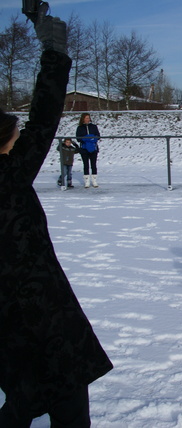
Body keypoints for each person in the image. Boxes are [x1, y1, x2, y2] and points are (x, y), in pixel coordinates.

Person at [0, 4, 113, 426]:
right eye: (11, 140)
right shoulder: (6, 178)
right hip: (42, 320)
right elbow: (44, 118)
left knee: (20, 402)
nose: (17, 145)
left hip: (9, 329)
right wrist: (53, 50)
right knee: (63, 401)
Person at [76, 113, 100, 188]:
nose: (88, 119)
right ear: (83, 119)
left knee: (93, 164)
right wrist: (86, 138)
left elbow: (98, 136)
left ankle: (94, 181)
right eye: (86, 118)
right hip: (84, 148)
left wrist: (92, 138)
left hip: (93, 148)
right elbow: (78, 138)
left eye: (88, 118)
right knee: (86, 165)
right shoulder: (80, 128)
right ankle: (87, 181)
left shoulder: (93, 127)